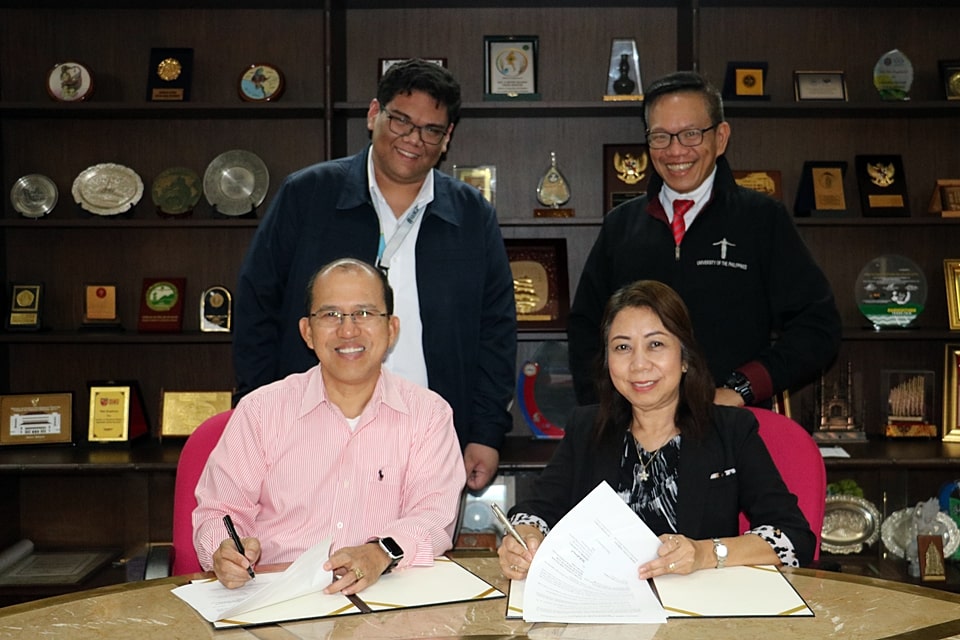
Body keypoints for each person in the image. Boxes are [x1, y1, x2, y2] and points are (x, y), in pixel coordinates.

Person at [233, 58, 516, 491]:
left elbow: (496, 331)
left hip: (429, 442)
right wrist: (263, 418)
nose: (413, 140)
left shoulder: (472, 215)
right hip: (308, 434)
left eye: (431, 130)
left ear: (447, 139)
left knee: (420, 556)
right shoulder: (307, 196)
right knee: (304, 554)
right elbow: (256, 309)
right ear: (373, 115)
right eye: (401, 121)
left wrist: (485, 431)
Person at [499, 280, 815, 581]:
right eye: (622, 347)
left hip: (699, 617)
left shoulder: (731, 429)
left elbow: (791, 536)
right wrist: (525, 537)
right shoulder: (586, 428)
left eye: (656, 344)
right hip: (607, 613)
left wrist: (705, 553)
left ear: (685, 359)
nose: (639, 364)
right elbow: (535, 511)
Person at [568, 70, 841, 410]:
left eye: (691, 134)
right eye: (661, 137)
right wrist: (604, 410)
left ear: (721, 137)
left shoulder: (763, 220)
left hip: (730, 429)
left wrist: (742, 388)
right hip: (636, 431)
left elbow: (818, 327)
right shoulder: (620, 226)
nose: (676, 151)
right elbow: (585, 331)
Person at [194, 258, 466, 593]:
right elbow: (220, 510)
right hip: (276, 598)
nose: (348, 330)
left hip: (385, 596)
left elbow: (433, 518)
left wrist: (381, 552)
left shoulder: (429, 415)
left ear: (391, 329)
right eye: (330, 315)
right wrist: (224, 551)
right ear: (307, 332)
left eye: (364, 313)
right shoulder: (261, 411)